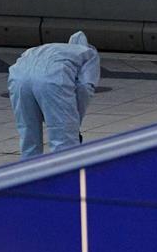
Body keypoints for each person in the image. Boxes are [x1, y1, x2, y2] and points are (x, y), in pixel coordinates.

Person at [8, 31, 100, 159]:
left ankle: (29, 174)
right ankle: (65, 176)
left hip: (18, 77)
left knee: (28, 135)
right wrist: (74, 121)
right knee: (63, 141)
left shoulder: (55, 48)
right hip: (52, 77)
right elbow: (85, 87)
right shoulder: (89, 54)